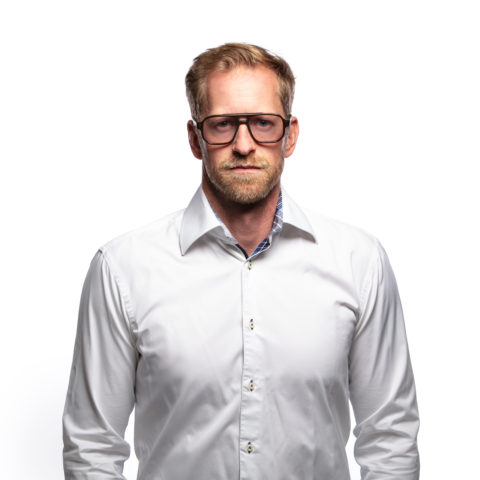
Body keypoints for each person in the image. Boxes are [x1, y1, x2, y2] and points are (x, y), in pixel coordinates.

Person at [63, 43, 420, 480]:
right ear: (195, 139)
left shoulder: (358, 262)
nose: (244, 145)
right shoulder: (123, 269)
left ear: (290, 135)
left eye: (263, 123)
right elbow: (92, 446)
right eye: (223, 125)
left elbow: (389, 437)